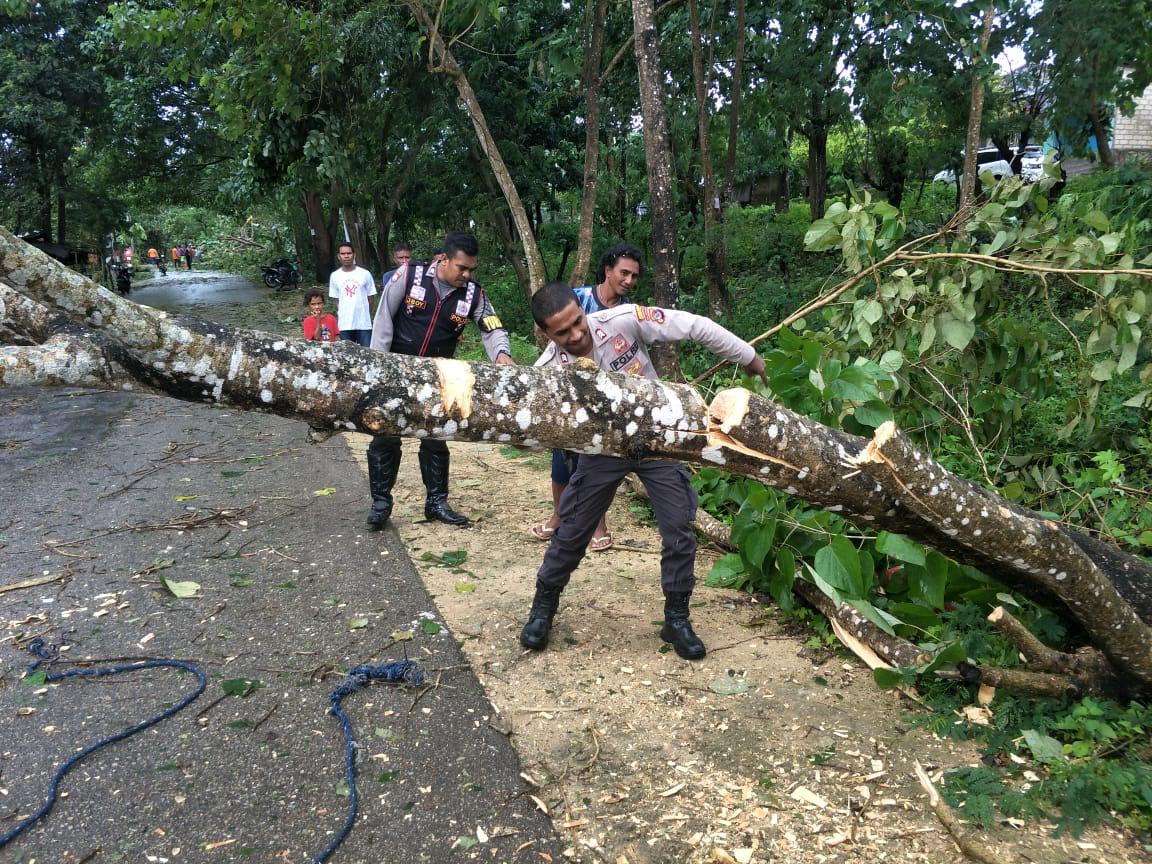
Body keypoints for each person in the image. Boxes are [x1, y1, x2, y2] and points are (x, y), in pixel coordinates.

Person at [520, 281, 768, 660]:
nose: (575, 334)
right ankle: (543, 607)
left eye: (577, 322)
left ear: (582, 309)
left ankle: (677, 617)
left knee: (679, 528)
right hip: (601, 451)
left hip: (658, 439)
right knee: (571, 531)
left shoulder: (621, 320)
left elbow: (692, 324)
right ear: (545, 334)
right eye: (562, 332)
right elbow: (530, 428)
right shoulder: (547, 372)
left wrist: (747, 356)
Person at [366, 231, 515, 529]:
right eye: (462, 268)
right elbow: (383, 320)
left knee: (436, 440)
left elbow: (492, 327)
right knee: (385, 437)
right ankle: (381, 503)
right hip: (397, 372)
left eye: (472, 269)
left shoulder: (474, 294)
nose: (467, 274)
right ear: (443, 259)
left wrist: (501, 355)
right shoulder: (409, 275)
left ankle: (436, 502)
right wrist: (378, 370)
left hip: (439, 378)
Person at [530, 244, 647, 551]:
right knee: (561, 461)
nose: (629, 280)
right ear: (608, 270)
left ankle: (598, 524)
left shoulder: (626, 312)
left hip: (606, 404)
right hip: (570, 397)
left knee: (595, 464)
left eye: (635, 276)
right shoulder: (576, 299)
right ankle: (559, 517)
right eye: (624, 272)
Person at [328, 242, 377, 347]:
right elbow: (337, 301)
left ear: (354, 255)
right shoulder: (335, 276)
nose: (346, 256)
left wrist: (366, 315)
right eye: (343, 254)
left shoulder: (365, 274)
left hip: (364, 323)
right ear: (338, 256)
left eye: (349, 253)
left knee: (367, 354)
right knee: (348, 355)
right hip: (345, 323)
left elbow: (371, 299)